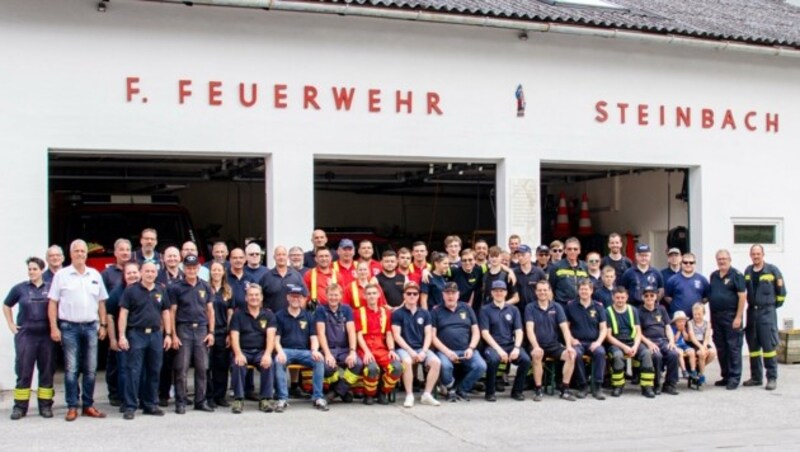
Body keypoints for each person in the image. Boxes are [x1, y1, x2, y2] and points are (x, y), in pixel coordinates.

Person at [48, 239, 109, 421]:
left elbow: (101, 302)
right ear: (71, 254)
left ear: (86, 254)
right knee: (71, 369)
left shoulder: (95, 274)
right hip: (69, 328)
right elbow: (53, 303)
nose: (80, 254)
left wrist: (103, 324)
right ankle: (72, 406)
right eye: (77, 251)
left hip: (91, 326)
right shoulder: (61, 275)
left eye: (83, 251)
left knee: (90, 369)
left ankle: (88, 405)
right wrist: (54, 327)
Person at [117, 262, 172, 420]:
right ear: (141, 272)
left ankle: (150, 404)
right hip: (136, 334)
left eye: (152, 271)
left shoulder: (161, 289)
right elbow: (123, 314)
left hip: (155, 335)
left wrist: (168, 334)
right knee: (133, 371)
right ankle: (130, 406)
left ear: (156, 273)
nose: (150, 274)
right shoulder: (131, 290)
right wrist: (122, 335)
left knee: (154, 371)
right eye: (146, 271)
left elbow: (166, 313)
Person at [4, 257, 56, 420]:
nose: (32, 272)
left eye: (35, 269)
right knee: (24, 371)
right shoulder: (20, 289)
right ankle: (20, 407)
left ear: (42, 270)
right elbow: (6, 305)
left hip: (46, 336)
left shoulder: (51, 287)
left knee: (47, 371)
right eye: (30, 269)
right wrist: (11, 324)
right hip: (26, 336)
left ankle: (45, 406)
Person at [169, 254, 215, 414]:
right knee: (181, 368)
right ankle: (180, 402)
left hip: (202, 329)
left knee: (202, 368)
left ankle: (200, 401)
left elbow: (210, 310)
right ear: (183, 268)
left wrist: (211, 332)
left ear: (198, 268)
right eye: (188, 267)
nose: (191, 270)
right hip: (183, 329)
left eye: (194, 267)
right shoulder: (176, 287)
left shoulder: (205, 286)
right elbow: (172, 312)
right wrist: (173, 334)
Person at [272, 285, 329, 412]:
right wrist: (280, 352)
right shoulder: (279, 315)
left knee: (319, 360)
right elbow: (276, 339)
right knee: (278, 360)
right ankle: (282, 399)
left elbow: (314, 337)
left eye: (298, 297)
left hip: (304, 352)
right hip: (286, 350)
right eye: (293, 296)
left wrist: (314, 351)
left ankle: (318, 397)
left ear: (303, 299)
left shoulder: (308, 316)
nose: (295, 299)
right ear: (287, 297)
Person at [431, 282, 486, 402]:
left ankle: (462, 390)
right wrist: (447, 352)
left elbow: (476, 331)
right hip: (445, 351)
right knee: (445, 366)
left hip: (466, 349)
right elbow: (433, 336)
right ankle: (450, 387)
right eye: (447, 293)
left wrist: (471, 348)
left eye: (453, 293)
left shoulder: (466, 308)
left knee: (481, 366)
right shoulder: (436, 311)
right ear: (443, 295)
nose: (450, 296)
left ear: (458, 294)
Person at [526, 280, 578, 402]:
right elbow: (529, 330)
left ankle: (564, 389)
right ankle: (538, 389)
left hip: (554, 345)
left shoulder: (557, 307)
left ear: (549, 291)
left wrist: (569, 346)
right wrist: (536, 346)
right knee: (536, 355)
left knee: (571, 355)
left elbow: (565, 328)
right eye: (539, 290)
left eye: (545, 290)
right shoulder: (530, 307)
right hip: (538, 344)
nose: (542, 292)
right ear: (536, 292)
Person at [392, 281, 442, 408]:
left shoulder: (425, 313)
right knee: (407, 361)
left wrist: (424, 351)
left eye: (415, 293)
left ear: (419, 295)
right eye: (409, 293)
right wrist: (411, 351)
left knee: (436, 362)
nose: (412, 296)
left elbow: (428, 334)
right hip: (404, 348)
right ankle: (409, 395)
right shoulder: (397, 313)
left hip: (421, 348)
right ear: (404, 295)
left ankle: (427, 394)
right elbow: (396, 336)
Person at [480, 280, 530, 402]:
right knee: (493, 360)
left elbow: (519, 331)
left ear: (506, 293)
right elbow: (485, 333)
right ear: (492, 293)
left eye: (501, 291)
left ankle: (517, 391)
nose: (499, 293)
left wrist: (517, 348)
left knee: (525, 360)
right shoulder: (485, 310)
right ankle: (490, 392)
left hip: (510, 344)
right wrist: (499, 350)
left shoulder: (513, 309)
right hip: (493, 346)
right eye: (496, 291)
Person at [743, 243, 785, 391]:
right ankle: (756, 377)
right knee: (753, 347)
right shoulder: (748, 271)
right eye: (753, 254)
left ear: (763, 254)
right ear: (750, 255)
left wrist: (770, 307)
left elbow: (781, 294)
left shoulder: (772, 270)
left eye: (758, 254)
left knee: (768, 347)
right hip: (752, 313)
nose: (755, 256)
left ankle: (771, 378)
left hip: (767, 313)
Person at [229, 285, 276, 414]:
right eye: (251, 295)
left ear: (261, 297)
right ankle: (238, 399)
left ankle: (265, 399)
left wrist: (267, 354)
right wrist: (238, 353)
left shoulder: (269, 315)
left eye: (256, 295)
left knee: (268, 363)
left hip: (260, 351)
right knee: (237, 363)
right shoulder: (238, 315)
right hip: (243, 350)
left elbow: (271, 337)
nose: (254, 297)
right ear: (246, 297)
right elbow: (234, 336)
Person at [355, 284, 403, 405]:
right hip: (364, 348)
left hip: (381, 348)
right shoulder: (358, 312)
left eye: (374, 293)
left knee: (397, 367)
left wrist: (391, 349)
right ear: (365, 296)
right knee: (372, 368)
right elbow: (358, 335)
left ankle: (382, 392)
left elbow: (388, 334)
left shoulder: (386, 313)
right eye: (369, 294)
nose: (372, 296)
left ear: (379, 295)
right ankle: (369, 395)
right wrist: (366, 352)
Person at [314, 284, 363, 403]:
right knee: (326, 366)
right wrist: (327, 354)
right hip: (329, 348)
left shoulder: (346, 309)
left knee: (357, 364)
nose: (333, 298)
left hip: (344, 349)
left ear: (341, 296)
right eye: (331, 295)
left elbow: (351, 331)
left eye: (336, 295)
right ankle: (344, 392)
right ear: (326, 295)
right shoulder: (320, 310)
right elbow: (320, 333)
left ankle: (336, 392)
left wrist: (352, 352)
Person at [605, 287, 656, 398]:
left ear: (627, 297)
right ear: (613, 297)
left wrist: (635, 346)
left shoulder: (633, 310)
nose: (620, 300)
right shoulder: (607, 311)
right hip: (616, 343)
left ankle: (647, 387)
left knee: (646, 353)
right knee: (617, 356)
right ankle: (618, 386)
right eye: (617, 298)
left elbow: (638, 332)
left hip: (632, 342)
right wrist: (624, 347)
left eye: (623, 297)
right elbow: (608, 336)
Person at [100, 238, 132, 408]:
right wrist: (104, 325)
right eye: (122, 250)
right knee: (114, 363)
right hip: (113, 324)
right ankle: (114, 393)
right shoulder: (107, 274)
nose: (125, 252)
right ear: (115, 252)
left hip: (133, 328)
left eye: (128, 249)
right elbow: (102, 302)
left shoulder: (136, 271)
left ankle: (129, 394)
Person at [707, 249, 746, 390]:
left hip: (731, 316)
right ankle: (726, 376)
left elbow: (742, 297)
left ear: (730, 259)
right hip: (717, 317)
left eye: (724, 258)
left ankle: (734, 378)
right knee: (721, 347)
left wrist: (738, 317)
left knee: (733, 347)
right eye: (719, 259)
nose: (722, 261)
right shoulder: (714, 275)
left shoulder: (736, 275)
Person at [105, 261, 141, 412]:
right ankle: (124, 401)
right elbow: (110, 316)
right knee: (124, 369)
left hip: (140, 336)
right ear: (124, 276)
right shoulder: (117, 292)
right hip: (123, 336)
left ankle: (138, 398)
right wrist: (113, 339)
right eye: (129, 273)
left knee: (139, 369)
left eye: (135, 272)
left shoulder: (145, 288)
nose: (132, 275)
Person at [566, 279, 607, 400]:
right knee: (575, 354)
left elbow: (603, 328)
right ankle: (583, 386)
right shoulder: (570, 306)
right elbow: (566, 327)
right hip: (577, 342)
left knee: (600, 352)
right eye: (581, 289)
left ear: (591, 291)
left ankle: (597, 386)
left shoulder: (599, 307)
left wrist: (598, 342)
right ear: (578, 291)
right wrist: (572, 339)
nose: (584, 291)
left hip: (593, 342)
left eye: (586, 289)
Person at [638, 286, 680, 395]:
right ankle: (656, 384)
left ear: (656, 296)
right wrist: (649, 343)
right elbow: (638, 333)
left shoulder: (661, 309)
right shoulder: (639, 311)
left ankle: (670, 384)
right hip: (648, 341)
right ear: (643, 297)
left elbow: (668, 327)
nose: (649, 298)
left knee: (674, 354)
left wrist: (671, 342)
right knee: (657, 356)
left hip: (663, 340)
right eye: (646, 296)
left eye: (652, 295)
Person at [207, 261, 234, 408]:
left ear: (223, 272)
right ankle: (209, 396)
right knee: (207, 366)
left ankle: (220, 396)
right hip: (207, 332)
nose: (216, 272)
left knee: (222, 366)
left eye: (219, 270)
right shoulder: (205, 288)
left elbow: (230, 313)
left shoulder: (228, 290)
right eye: (214, 270)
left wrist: (229, 333)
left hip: (223, 332)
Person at [259, 246, 307, 313]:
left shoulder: (296, 275)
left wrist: (299, 312)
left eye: (283, 254)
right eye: (278, 255)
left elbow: (304, 296)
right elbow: (258, 298)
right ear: (274, 257)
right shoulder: (266, 277)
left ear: (287, 257)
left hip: (292, 318)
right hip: (272, 319)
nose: (281, 257)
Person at [664, 252, 709, 316]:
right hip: (678, 319)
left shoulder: (702, 280)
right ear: (681, 263)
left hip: (695, 319)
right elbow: (667, 297)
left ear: (695, 264)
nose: (688, 264)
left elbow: (706, 298)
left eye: (691, 262)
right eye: (685, 262)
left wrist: (698, 306)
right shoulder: (672, 280)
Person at [620, 243, 664, 308]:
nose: (643, 258)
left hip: (651, 309)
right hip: (634, 308)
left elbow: (661, 290)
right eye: (641, 255)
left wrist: (654, 301)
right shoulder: (628, 273)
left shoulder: (656, 273)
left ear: (650, 256)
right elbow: (624, 290)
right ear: (636, 256)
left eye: (646, 255)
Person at [548, 237, 589, 306]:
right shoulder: (556, 267)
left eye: (575, 249)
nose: (572, 251)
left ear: (579, 251)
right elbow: (550, 288)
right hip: (562, 305)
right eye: (569, 249)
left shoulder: (585, 266)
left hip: (580, 305)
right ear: (565, 251)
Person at [479, 246, 518, 315]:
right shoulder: (484, 275)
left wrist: (502, 305)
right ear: (488, 257)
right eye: (492, 256)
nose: (494, 259)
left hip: (502, 313)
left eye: (496, 256)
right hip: (486, 313)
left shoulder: (507, 276)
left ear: (501, 258)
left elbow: (516, 298)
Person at [513, 244, 547, 316]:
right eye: (518, 255)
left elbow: (548, 292)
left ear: (530, 255)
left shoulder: (539, 272)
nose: (520, 257)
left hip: (536, 311)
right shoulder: (513, 273)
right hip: (518, 312)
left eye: (523, 255)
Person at [688, 302, 716, 387]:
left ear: (703, 313)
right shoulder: (690, 323)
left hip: (703, 343)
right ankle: (701, 375)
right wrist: (701, 348)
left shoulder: (707, 323)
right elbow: (692, 337)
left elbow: (707, 337)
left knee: (712, 353)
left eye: (699, 314)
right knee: (701, 353)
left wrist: (704, 346)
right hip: (695, 343)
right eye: (695, 314)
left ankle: (699, 370)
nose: (697, 316)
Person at [671, 311, 696, 379]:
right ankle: (684, 370)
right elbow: (674, 339)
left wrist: (683, 331)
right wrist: (679, 331)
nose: (681, 323)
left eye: (683, 321)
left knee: (692, 351)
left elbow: (687, 339)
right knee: (680, 352)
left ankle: (693, 370)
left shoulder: (685, 328)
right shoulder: (673, 328)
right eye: (679, 321)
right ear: (675, 322)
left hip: (683, 345)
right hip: (676, 345)